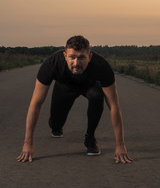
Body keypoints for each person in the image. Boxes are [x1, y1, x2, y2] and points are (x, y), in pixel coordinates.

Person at [17, 35, 132, 164]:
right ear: (65, 56)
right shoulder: (52, 63)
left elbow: (114, 106)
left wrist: (120, 145)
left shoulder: (101, 66)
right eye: (72, 57)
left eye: (82, 57)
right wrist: (28, 144)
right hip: (64, 88)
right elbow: (36, 103)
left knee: (97, 95)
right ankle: (56, 126)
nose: (76, 63)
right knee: (55, 125)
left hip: (90, 87)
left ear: (89, 57)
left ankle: (90, 138)